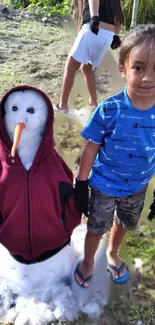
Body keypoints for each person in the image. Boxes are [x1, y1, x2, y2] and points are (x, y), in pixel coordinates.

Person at [74, 23, 155, 287]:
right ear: (123, 68)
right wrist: (81, 183)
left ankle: (112, 252)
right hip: (104, 185)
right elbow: (91, 148)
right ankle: (88, 262)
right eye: (138, 67)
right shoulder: (109, 110)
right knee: (96, 228)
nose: (147, 78)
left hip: (137, 186)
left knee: (124, 224)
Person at [55, 0, 124, 117]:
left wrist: (94, 17)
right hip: (108, 35)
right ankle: (93, 103)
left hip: (93, 28)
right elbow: (118, 14)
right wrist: (116, 35)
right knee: (87, 68)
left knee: (71, 66)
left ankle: (63, 105)